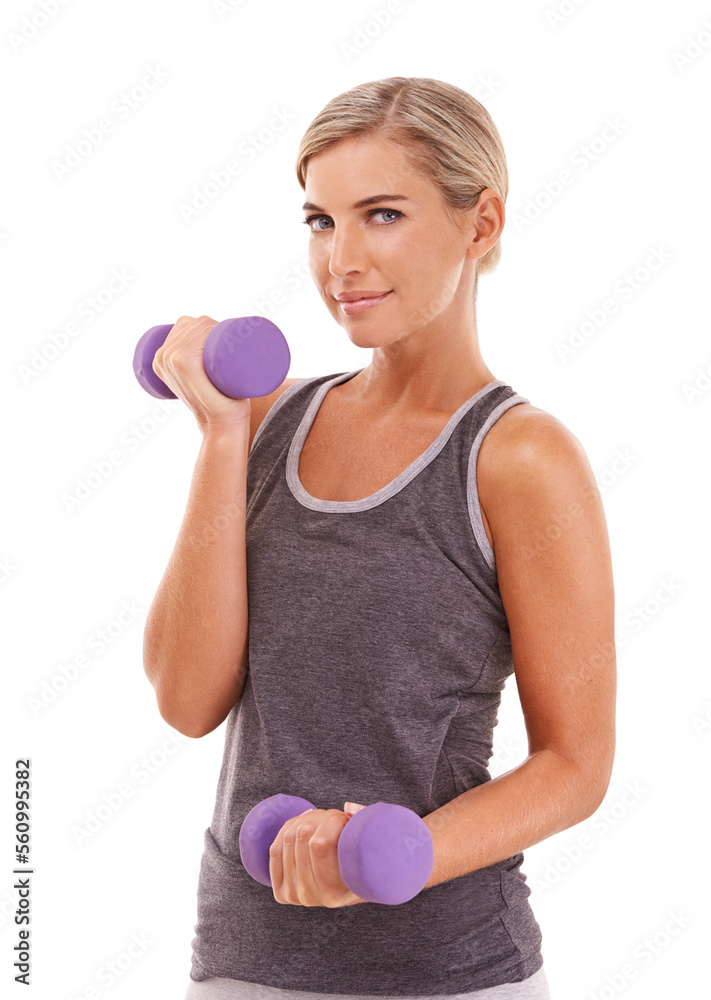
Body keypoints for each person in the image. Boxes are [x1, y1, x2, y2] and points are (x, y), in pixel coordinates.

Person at [143, 76, 616, 1000]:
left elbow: (575, 764)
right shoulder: (271, 419)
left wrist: (395, 853)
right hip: (243, 957)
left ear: (480, 226)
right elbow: (186, 699)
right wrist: (220, 439)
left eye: (382, 214)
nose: (341, 260)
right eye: (320, 221)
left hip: (448, 971)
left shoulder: (520, 458)